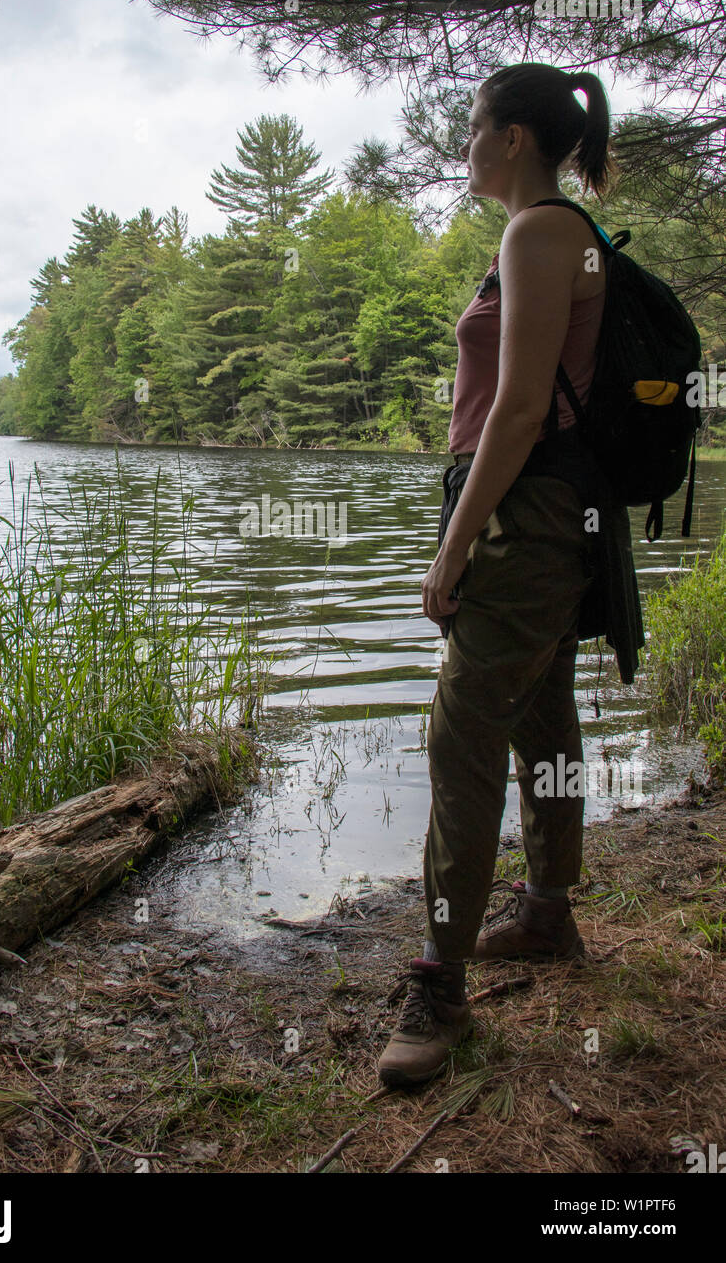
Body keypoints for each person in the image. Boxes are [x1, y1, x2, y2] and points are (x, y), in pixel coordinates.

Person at [378, 62, 633, 1088]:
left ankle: (440, 985)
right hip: (545, 515)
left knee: (462, 730)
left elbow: (518, 410)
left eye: (474, 128)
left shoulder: (539, 232)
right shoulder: (550, 233)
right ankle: (545, 913)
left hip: (524, 520)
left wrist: (451, 549)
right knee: (539, 715)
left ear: (515, 138)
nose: (464, 146)